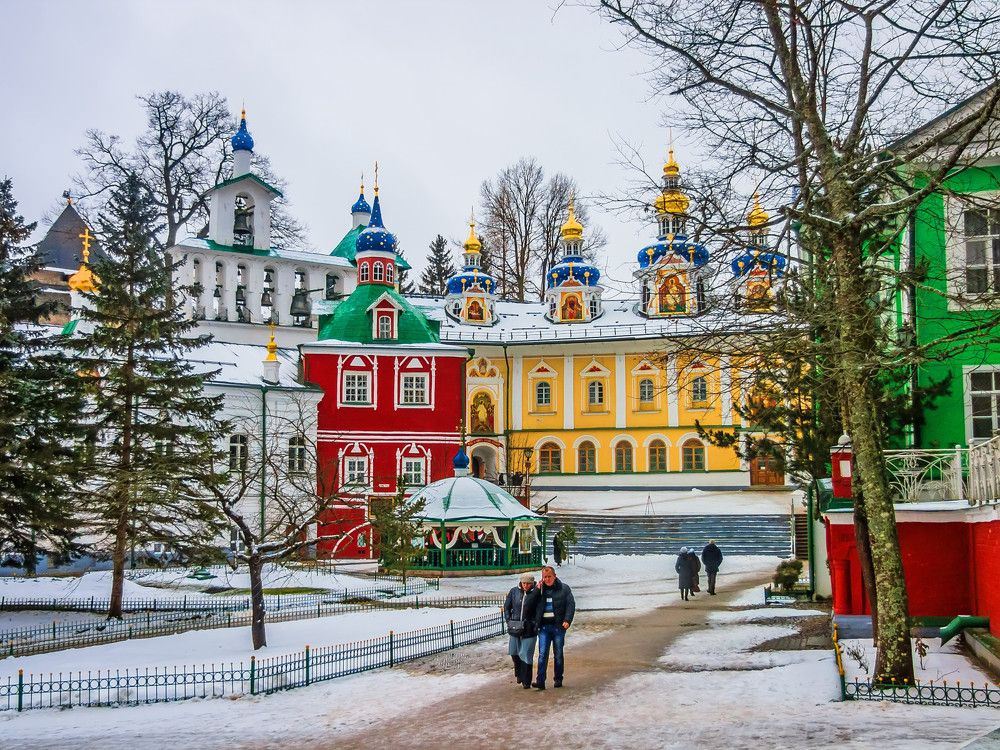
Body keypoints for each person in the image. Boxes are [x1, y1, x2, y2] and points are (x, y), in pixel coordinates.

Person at [532, 565, 575, 690]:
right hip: (544, 627)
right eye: (544, 577)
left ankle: (558, 678)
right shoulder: (539, 590)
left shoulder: (564, 589)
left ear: (555, 576)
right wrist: (536, 590)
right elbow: (530, 604)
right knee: (542, 654)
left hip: (558, 627)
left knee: (558, 654)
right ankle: (540, 681)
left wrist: (567, 620)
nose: (547, 579)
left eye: (549, 576)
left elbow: (570, 605)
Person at [503, 572, 541, 689]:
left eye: (528, 584)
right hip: (515, 627)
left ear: (532, 583)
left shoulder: (536, 593)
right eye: (524, 583)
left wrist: (535, 623)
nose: (525, 586)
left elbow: (538, 609)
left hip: (529, 628)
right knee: (514, 652)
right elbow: (507, 607)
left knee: (525, 654)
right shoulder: (514, 591)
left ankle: (526, 680)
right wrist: (509, 620)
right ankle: (519, 673)